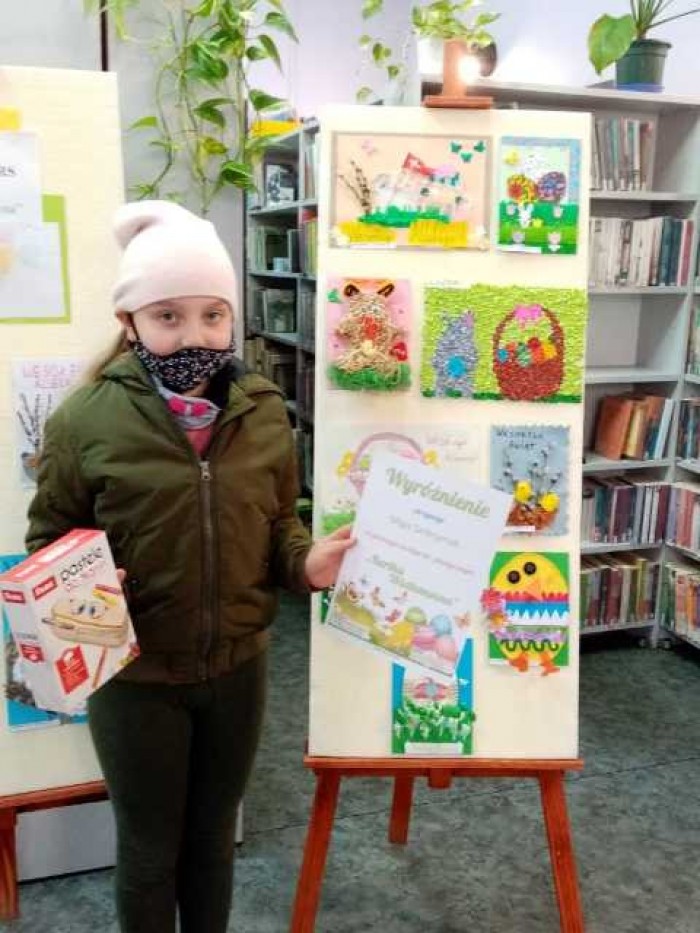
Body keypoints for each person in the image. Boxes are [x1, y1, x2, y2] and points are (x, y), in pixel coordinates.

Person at [26, 200, 353, 933]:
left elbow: (278, 524)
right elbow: (50, 538)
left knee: (211, 842)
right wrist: (81, 587)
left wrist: (307, 563)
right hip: (135, 677)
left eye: (212, 315)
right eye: (167, 316)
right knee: (149, 849)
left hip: (239, 668)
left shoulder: (263, 411)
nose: (194, 336)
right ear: (130, 321)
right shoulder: (84, 420)